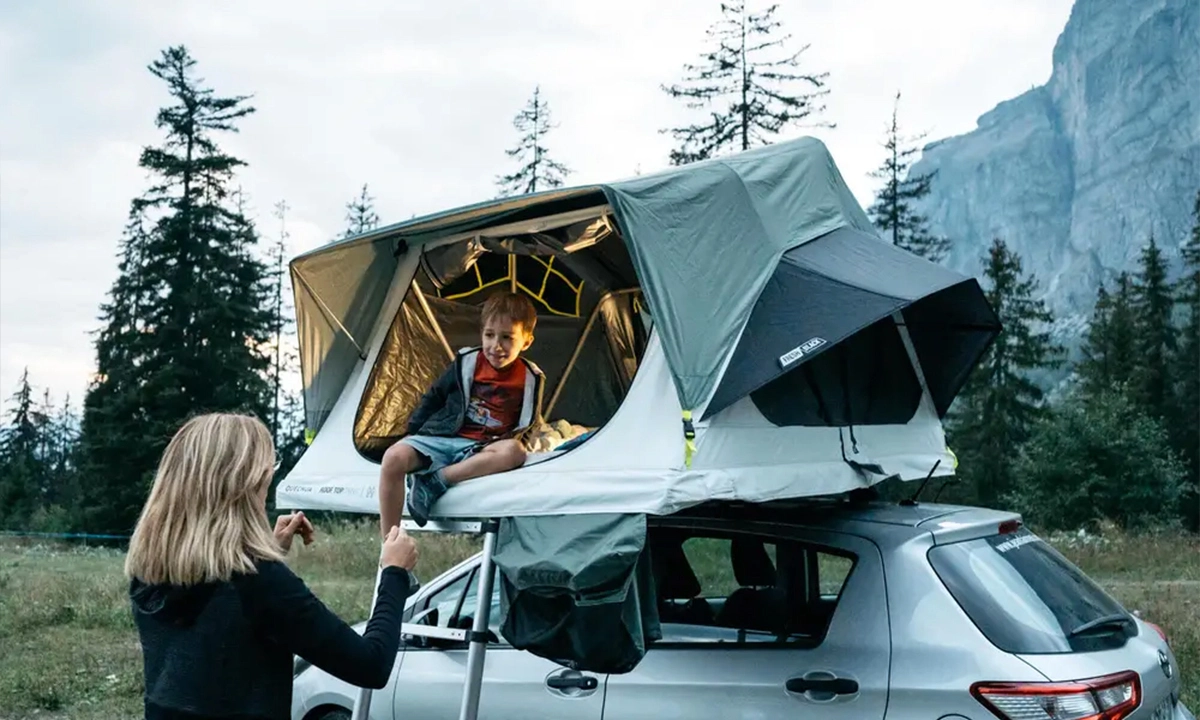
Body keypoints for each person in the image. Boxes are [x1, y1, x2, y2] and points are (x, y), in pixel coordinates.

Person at [126, 412, 419, 720]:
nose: (268, 483)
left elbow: (218, 632)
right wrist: (394, 572)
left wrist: (269, 548)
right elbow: (370, 665)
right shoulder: (258, 582)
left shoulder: (149, 569)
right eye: (268, 473)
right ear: (244, 486)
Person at [378, 291, 544, 530]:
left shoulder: (531, 377)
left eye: (507, 338)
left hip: (481, 450)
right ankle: (389, 543)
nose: (496, 346)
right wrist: (413, 432)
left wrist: (518, 454)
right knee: (393, 458)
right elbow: (434, 396)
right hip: (446, 438)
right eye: (489, 335)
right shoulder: (467, 361)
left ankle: (437, 480)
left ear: (526, 342)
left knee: (516, 451)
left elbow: (529, 423)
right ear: (482, 334)